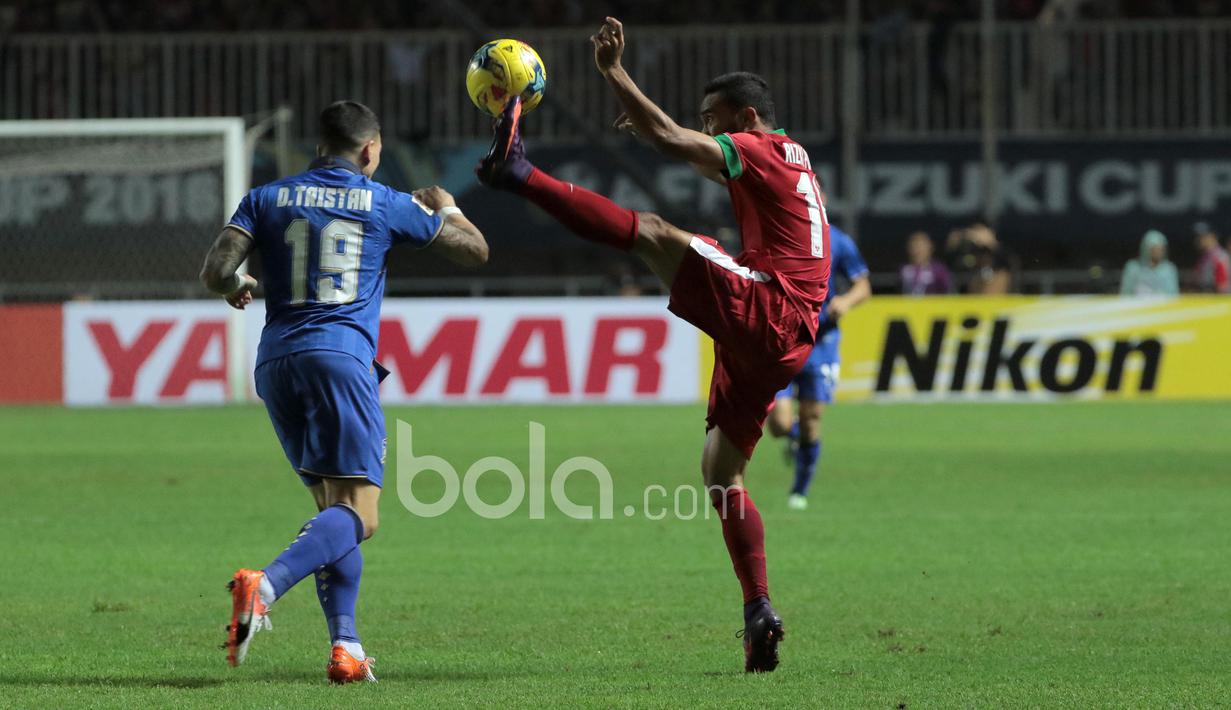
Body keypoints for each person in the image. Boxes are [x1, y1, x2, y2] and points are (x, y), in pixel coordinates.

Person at [477, 17, 830, 673]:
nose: (710, 130)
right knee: (720, 475)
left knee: (655, 233)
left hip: (771, 307)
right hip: (778, 337)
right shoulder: (789, 160)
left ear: (747, 118)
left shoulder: (758, 149)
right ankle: (758, 609)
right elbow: (677, 141)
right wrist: (651, 128)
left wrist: (614, 73)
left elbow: (675, 140)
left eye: (714, 120)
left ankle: (519, 173)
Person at [198, 100, 488, 683]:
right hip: (340, 360)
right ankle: (266, 586)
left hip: (276, 363)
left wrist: (236, 283)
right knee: (362, 514)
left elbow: (216, 269)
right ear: (370, 151)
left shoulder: (266, 197)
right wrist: (449, 208)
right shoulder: (384, 201)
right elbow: (475, 250)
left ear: (318, 146)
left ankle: (347, 647)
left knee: (333, 512)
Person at [766, 225, 870, 510]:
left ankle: (799, 490)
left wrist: (846, 301)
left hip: (822, 342)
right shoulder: (779, 232)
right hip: (783, 340)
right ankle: (794, 438)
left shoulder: (838, 239)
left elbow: (863, 285)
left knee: (812, 419)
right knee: (778, 424)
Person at [1119, 230, 1178, 296]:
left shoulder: (1169, 269)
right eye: (1155, 249)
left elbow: (1174, 295)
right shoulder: (1133, 268)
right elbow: (1125, 294)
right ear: (1146, 249)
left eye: (1161, 249)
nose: (1159, 252)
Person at [900, 230, 952, 295]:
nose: (918, 251)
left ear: (930, 248)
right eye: (914, 247)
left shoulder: (939, 270)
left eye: (921, 247)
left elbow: (948, 292)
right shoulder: (903, 269)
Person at [1193, 222, 1230, 294]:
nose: (1198, 239)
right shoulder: (1205, 256)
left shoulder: (1220, 256)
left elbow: (1222, 285)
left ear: (1213, 236)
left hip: (1220, 299)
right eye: (1197, 236)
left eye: (1202, 236)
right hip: (1208, 296)